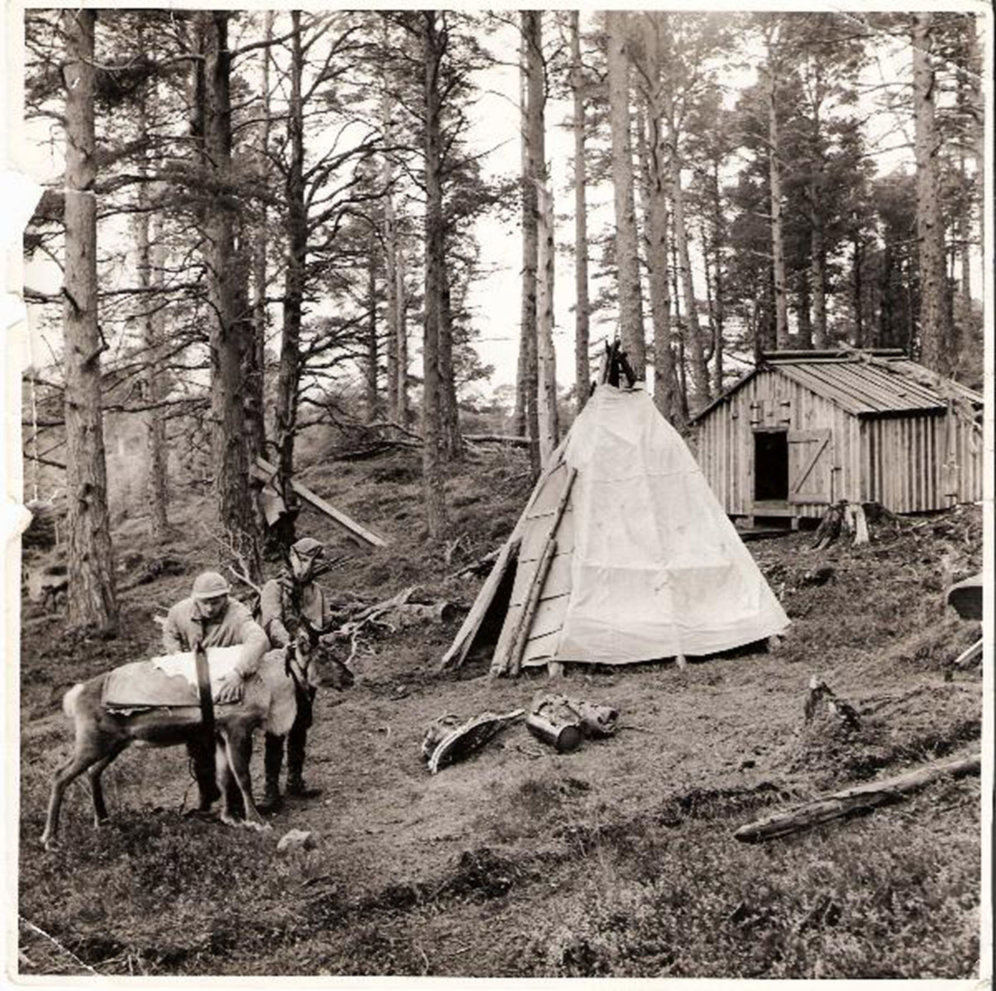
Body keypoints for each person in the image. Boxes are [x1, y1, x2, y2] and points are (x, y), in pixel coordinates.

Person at [162, 570, 269, 811]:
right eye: (205, 602)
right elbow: (170, 634)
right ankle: (206, 801)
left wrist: (239, 672)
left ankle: (234, 806)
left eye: (217, 601)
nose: (211, 608)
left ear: (226, 597)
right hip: (195, 691)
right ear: (195, 599)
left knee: (234, 747)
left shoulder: (238, 613)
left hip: (226, 693)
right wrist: (177, 656)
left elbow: (258, 639)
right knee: (199, 748)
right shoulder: (179, 611)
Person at [257, 536, 337, 811]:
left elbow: (325, 624)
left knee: (301, 721)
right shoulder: (274, 588)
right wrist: (289, 641)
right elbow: (271, 621)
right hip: (279, 666)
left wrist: (326, 631)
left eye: (313, 562)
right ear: (292, 558)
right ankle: (270, 790)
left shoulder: (317, 591)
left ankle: (295, 780)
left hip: (306, 668)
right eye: (303, 560)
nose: (308, 567)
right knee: (278, 725)